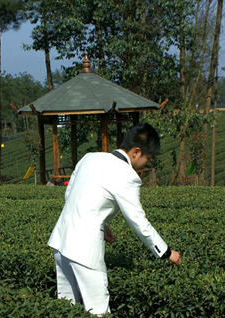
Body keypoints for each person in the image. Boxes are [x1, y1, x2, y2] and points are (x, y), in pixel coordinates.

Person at [48, 123, 181, 316]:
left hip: (60, 243)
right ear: (136, 151)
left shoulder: (89, 157)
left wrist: (101, 224)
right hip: (84, 252)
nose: (147, 163)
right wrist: (166, 252)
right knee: (99, 312)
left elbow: (71, 196)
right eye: (148, 158)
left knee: (66, 309)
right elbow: (139, 222)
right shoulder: (128, 176)